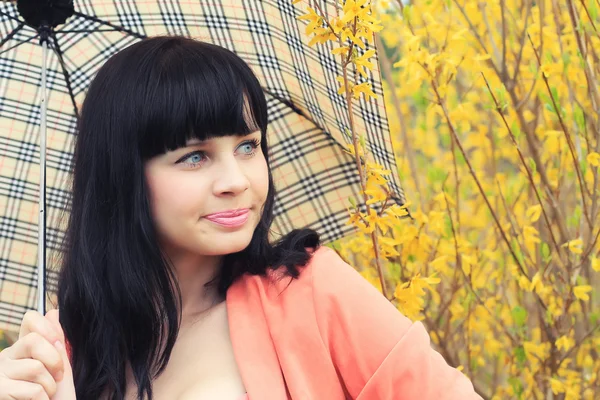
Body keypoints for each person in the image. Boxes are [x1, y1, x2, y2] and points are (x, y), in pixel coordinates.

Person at [0, 36, 482, 400]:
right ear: (122, 176)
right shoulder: (61, 352)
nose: (237, 179)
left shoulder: (310, 293)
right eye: (194, 156)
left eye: (248, 146)